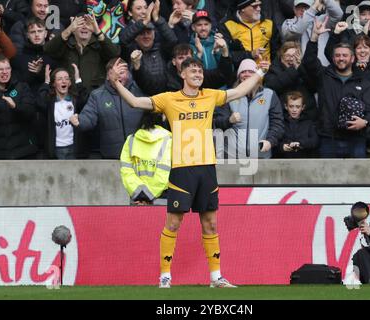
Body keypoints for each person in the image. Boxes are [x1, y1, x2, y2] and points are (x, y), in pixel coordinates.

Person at [108, 55, 269, 288]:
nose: (197, 74)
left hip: (207, 169)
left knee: (211, 223)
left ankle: (216, 277)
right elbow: (135, 102)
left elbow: (240, 91)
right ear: (182, 74)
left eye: (200, 71)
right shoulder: (169, 99)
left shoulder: (211, 96)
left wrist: (260, 73)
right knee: (173, 223)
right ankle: (165, 276)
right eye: (192, 70)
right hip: (182, 171)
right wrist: (116, 83)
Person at [302, 16, 370, 158]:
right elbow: (309, 61)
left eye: (344, 55)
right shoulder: (323, 76)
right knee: (328, 180)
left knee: (357, 179)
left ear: (352, 58)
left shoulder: (363, 81)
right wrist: (314, 38)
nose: (341, 58)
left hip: (356, 139)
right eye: (337, 55)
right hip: (328, 138)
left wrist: (365, 121)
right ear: (333, 58)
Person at [69, 58, 144, 159]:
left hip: (140, 154)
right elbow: (88, 117)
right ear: (108, 76)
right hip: (113, 156)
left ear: (128, 74)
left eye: (122, 72)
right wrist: (79, 121)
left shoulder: (140, 90)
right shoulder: (97, 95)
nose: (118, 76)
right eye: (115, 73)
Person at [214, 58, 284, 159]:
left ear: (258, 75)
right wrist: (229, 120)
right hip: (233, 158)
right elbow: (217, 122)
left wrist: (270, 141)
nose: (246, 74)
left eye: (251, 72)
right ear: (239, 76)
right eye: (243, 72)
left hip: (260, 156)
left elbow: (277, 123)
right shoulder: (229, 95)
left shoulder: (270, 95)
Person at [44, 13, 121, 93]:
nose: (84, 27)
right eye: (80, 24)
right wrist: (68, 30)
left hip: (94, 97)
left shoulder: (100, 44)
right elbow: (48, 50)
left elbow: (114, 53)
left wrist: (98, 31)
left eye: (88, 24)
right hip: (69, 96)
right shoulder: (65, 44)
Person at [0, 55, 37, 159]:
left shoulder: (22, 87)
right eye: (0, 69)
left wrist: (15, 106)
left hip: (24, 151)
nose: (5, 72)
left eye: (7, 68)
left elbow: (31, 112)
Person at [35, 64, 89, 159]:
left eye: (66, 78)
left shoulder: (75, 101)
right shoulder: (50, 103)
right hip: (55, 149)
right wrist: (46, 82)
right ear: (54, 83)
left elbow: (85, 99)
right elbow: (39, 102)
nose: (64, 81)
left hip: (74, 148)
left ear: (70, 83)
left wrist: (78, 80)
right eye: (59, 79)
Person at [120, 111, 172, 205]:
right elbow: (164, 171)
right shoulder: (169, 139)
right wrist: (149, 194)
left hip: (137, 197)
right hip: (162, 198)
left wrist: (140, 193)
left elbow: (126, 171)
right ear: (163, 117)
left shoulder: (131, 139)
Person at [264, 41, 317, 122]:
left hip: (306, 118)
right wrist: (294, 70)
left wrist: (300, 68)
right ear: (281, 57)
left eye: (295, 56)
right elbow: (272, 86)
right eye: (288, 56)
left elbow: (313, 87)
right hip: (283, 118)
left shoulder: (305, 68)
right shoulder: (273, 70)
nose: (291, 59)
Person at [282, 0, 343, 66]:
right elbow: (298, 30)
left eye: (307, 7)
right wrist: (312, 10)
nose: (303, 9)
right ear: (294, 9)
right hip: (300, 70)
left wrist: (325, 1)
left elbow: (338, 15)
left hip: (323, 69)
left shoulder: (321, 20)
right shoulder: (288, 23)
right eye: (300, 7)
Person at [220, 0, 280, 66]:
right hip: (240, 73)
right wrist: (250, 54)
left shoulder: (269, 24)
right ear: (242, 8)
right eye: (254, 6)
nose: (259, 9)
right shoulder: (227, 26)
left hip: (266, 73)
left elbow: (277, 52)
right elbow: (226, 55)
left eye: (259, 5)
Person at [166, 43, 233, 92]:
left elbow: (223, 75)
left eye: (188, 58)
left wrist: (225, 52)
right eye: (181, 58)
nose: (185, 61)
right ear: (174, 61)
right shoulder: (166, 80)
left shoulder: (202, 75)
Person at [276, 90, 318, 158]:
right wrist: (282, 146)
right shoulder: (281, 123)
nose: (294, 110)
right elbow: (275, 141)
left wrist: (300, 143)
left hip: (304, 161)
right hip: (285, 161)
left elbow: (315, 141)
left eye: (297, 107)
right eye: (291, 106)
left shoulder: (309, 123)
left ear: (303, 107)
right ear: (286, 106)